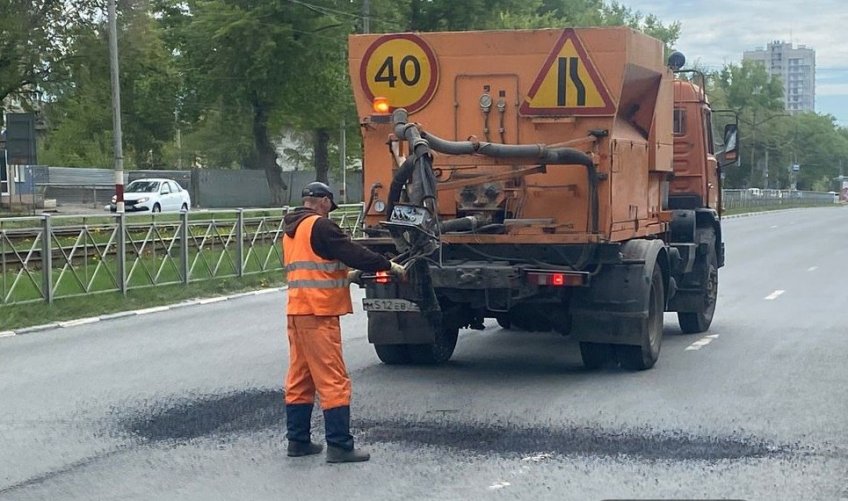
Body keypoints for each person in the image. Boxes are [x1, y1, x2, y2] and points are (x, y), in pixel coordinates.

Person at [282, 181, 405, 463]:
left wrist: (344, 277)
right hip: (319, 312)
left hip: (297, 311)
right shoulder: (321, 226)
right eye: (330, 205)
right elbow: (352, 252)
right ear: (324, 201)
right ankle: (340, 445)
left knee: (300, 377)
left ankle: (297, 441)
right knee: (333, 379)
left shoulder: (292, 228)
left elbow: (314, 264)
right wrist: (388, 265)